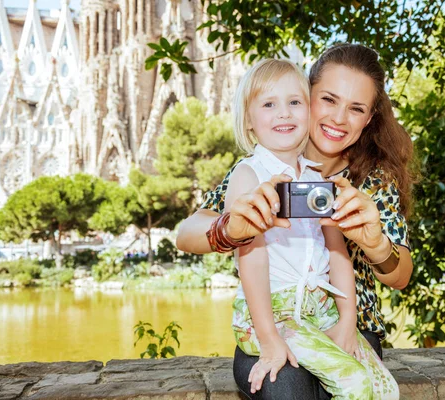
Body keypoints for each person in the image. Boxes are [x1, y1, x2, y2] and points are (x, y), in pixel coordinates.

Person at [177, 43, 415, 400]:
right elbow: (186, 234)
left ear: (368, 118)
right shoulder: (263, 166)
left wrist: (375, 243)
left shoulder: (372, 179)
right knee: (289, 388)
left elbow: (400, 275)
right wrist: (229, 230)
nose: (338, 118)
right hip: (272, 318)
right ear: (309, 95)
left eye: (356, 108)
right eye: (329, 100)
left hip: (343, 320)